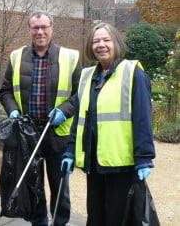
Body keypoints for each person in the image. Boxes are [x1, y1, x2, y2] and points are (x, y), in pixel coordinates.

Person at [61, 22, 155, 225]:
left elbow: (142, 118)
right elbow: (79, 118)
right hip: (95, 162)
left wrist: (144, 156)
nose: (101, 45)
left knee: (118, 218)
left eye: (106, 40)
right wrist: (70, 150)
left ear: (116, 42)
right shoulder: (87, 76)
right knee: (96, 217)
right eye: (96, 41)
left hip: (122, 164)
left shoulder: (132, 73)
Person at [0, 10, 82, 226]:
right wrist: (12, 110)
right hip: (28, 135)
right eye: (35, 28)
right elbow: (5, 90)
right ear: (29, 30)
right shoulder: (17, 56)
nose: (40, 31)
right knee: (33, 185)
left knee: (59, 186)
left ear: (52, 28)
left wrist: (65, 110)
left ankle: (59, 222)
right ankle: (39, 222)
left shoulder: (71, 57)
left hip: (58, 134)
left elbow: (80, 94)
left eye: (44, 27)